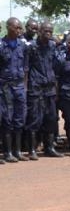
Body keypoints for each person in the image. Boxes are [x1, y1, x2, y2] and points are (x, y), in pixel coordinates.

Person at [24, 22, 61, 159]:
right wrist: (26, 88)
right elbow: (26, 69)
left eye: (50, 31)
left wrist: (56, 88)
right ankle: (32, 150)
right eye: (46, 31)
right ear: (39, 31)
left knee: (51, 119)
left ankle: (49, 147)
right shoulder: (31, 47)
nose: (49, 33)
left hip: (50, 88)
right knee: (34, 119)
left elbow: (55, 68)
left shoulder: (52, 46)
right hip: (35, 88)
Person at [1, 18, 29, 162]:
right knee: (7, 119)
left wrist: (24, 87)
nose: (19, 30)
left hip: (19, 87)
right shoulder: (1, 45)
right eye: (16, 27)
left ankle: (17, 151)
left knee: (20, 119)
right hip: (5, 88)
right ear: (8, 27)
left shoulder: (23, 46)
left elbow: (25, 68)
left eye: (20, 28)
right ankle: (7, 152)